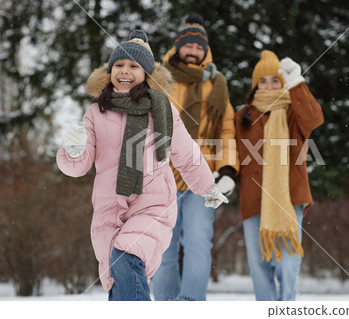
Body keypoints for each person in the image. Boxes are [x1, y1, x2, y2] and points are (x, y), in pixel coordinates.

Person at [56, 30, 228, 301]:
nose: (125, 71)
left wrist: (208, 187)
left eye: (134, 66)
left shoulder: (162, 109)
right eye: (119, 65)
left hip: (153, 204)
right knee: (116, 276)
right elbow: (79, 167)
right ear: (110, 71)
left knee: (126, 255)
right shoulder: (96, 112)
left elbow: (186, 153)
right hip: (109, 208)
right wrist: (73, 149)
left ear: (146, 74)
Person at [152, 14, 239, 301]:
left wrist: (227, 170)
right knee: (163, 246)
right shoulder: (159, 78)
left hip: (203, 179)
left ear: (206, 51)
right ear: (178, 47)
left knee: (199, 244)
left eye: (199, 47)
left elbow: (226, 129)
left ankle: (191, 305)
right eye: (188, 45)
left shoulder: (217, 86)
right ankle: (165, 305)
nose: (193, 51)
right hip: (162, 175)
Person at [235, 50, 324, 301]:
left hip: (289, 194)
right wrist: (227, 174)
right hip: (253, 197)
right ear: (255, 85)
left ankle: (286, 307)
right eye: (263, 81)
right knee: (259, 265)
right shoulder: (243, 115)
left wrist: (297, 80)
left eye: (275, 80)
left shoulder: (293, 112)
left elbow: (315, 118)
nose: (269, 85)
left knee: (287, 261)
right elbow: (232, 151)